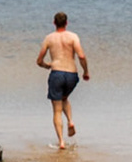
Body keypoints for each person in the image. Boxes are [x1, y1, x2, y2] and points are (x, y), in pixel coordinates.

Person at [35, 11, 90, 149]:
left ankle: (61, 142)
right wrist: (86, 72)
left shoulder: (49, 38)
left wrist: (47, 65)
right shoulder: (73, 37)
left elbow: (39, 60)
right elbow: (81, 56)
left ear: (54, 23)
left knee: (57, 110)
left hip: (57, 73)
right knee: (64, 97)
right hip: (72, 75)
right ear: (66, 23)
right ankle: (70, 121)